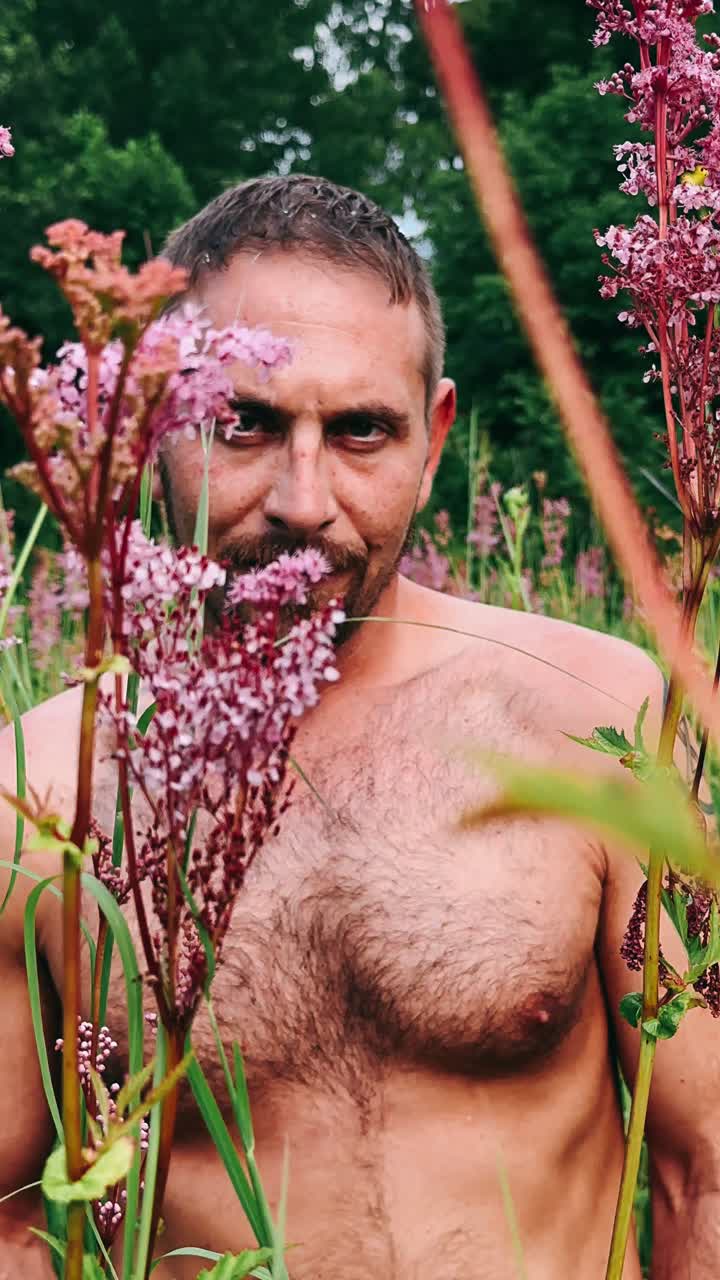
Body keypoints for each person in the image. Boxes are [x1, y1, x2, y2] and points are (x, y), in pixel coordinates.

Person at [0, 174, 718, 1280]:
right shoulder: (44, 785)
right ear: (153, 425)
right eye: (245, 424)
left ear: (433, 440)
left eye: (361, 431)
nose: (304, 499)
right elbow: (11, 1217)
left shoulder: (593, 716)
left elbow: (703, 1165)